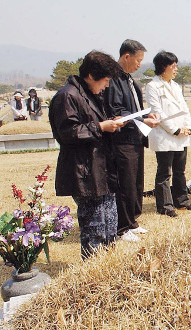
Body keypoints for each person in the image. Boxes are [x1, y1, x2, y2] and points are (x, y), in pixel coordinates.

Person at [49, 51, 124, 259]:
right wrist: (101, 126)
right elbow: (67, 133)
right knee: (95, 229)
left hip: (101, 170)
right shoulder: (67, 96)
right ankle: (93, 273)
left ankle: (108, 268)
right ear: (91, 75)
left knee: (110, 226)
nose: (106, 86)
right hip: (84, 171)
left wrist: (111, 123)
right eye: (105, 80)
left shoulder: (89, 94)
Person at [104, 39, 160, 242]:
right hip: (121, 140)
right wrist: (141, 119)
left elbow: (136, 108)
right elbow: (116, 110)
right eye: (138, 60)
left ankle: (132, 221)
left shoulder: (130, 80)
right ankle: (122, 227)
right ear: (126, 56)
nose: (139, 65)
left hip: (136, 137)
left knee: (136, 182)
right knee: (124, 183)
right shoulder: (112, 80)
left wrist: (148, 117)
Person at [145, 51, 191, 218]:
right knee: (165, 171)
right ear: (163, 67)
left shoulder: (175, 86)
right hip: (165, 135)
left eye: (176, 66)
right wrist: (175, 129)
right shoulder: (153, 86)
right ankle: (165, 206)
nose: (176, 69)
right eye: (173, 66)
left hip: (181, 135)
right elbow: (157, 112)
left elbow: (184, 109)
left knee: (180, 170)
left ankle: (182, 201)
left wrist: (188, 127)